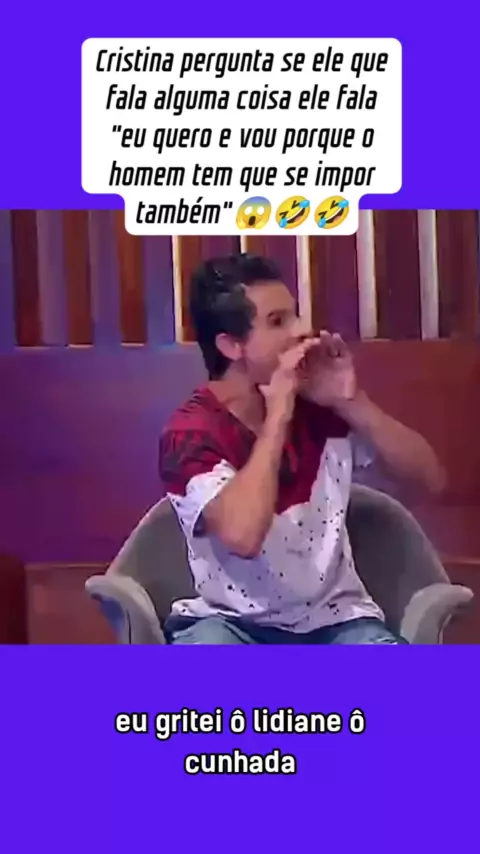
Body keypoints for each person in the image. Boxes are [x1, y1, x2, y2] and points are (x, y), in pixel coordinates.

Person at [158, 253, 446, 645]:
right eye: (278, 321)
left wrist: (351, 401)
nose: (303, 330)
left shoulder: (322, 408)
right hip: (230, 623)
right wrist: (278, 415)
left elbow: (429, 479)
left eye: (296, 315)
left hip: (338, 622)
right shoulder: (190, 433)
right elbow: (243, 536)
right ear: (231, 345)